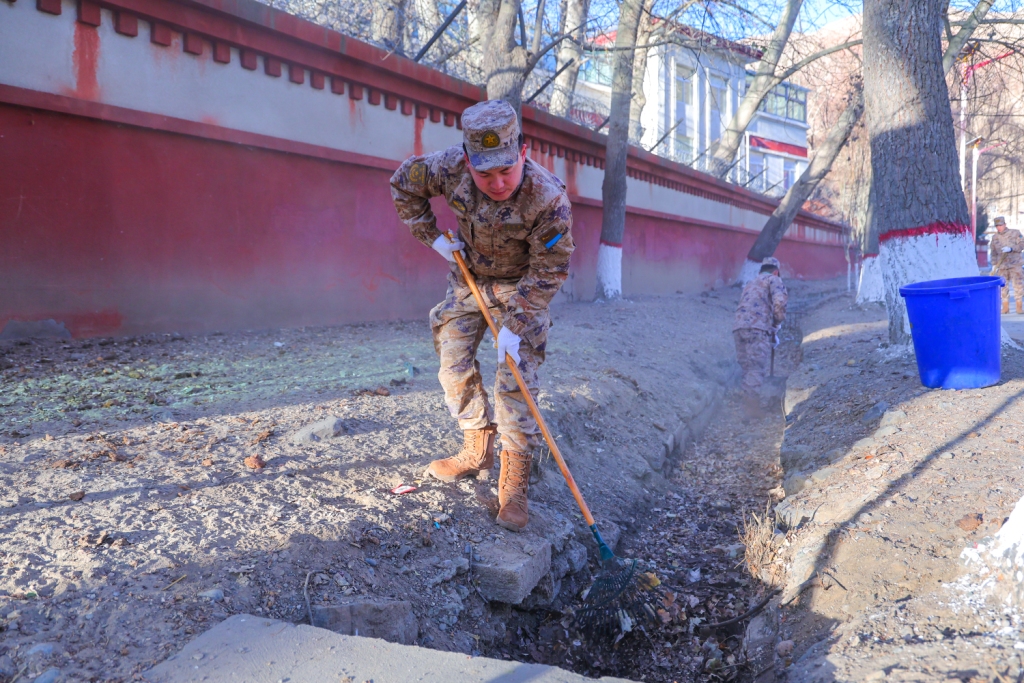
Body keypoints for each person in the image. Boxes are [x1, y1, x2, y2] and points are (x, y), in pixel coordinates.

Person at [390, 100, 575, 532]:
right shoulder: (448, 167)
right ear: (467, 160)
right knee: (451, 364)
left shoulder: (549, 200)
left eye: (506, 171)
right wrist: (431, 237)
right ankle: (477, 446)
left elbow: (551, 268)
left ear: (523, 153)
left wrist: (516, 324)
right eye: (484, 173)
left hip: (522, 289)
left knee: (515, 380)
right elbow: (403, 184)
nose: (496, 182)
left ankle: (513, 483)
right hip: (468, 278)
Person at [733, 257, 788, 416]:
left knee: (747, 367)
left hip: (738, 328)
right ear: (776, 271)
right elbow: (780, 303)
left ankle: (746, 406)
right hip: (758, 329)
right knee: (756, 368)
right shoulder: (774, 280)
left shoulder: (750, 283)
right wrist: (776, 325)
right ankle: (751, 411)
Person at [989, 216, 1024, 314]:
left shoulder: (1015, 233)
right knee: (1003, 287)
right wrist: (994, 264)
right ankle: (1005, 307)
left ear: (1005, 224)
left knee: (1018, 285)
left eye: (1000, 225)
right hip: (1002, 265)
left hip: (1015, 264)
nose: (999, 227)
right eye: (997, 226)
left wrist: (1011, 248)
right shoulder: (995, 237)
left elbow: (1022, 245)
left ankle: (1019, 307)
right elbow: (993, 252)